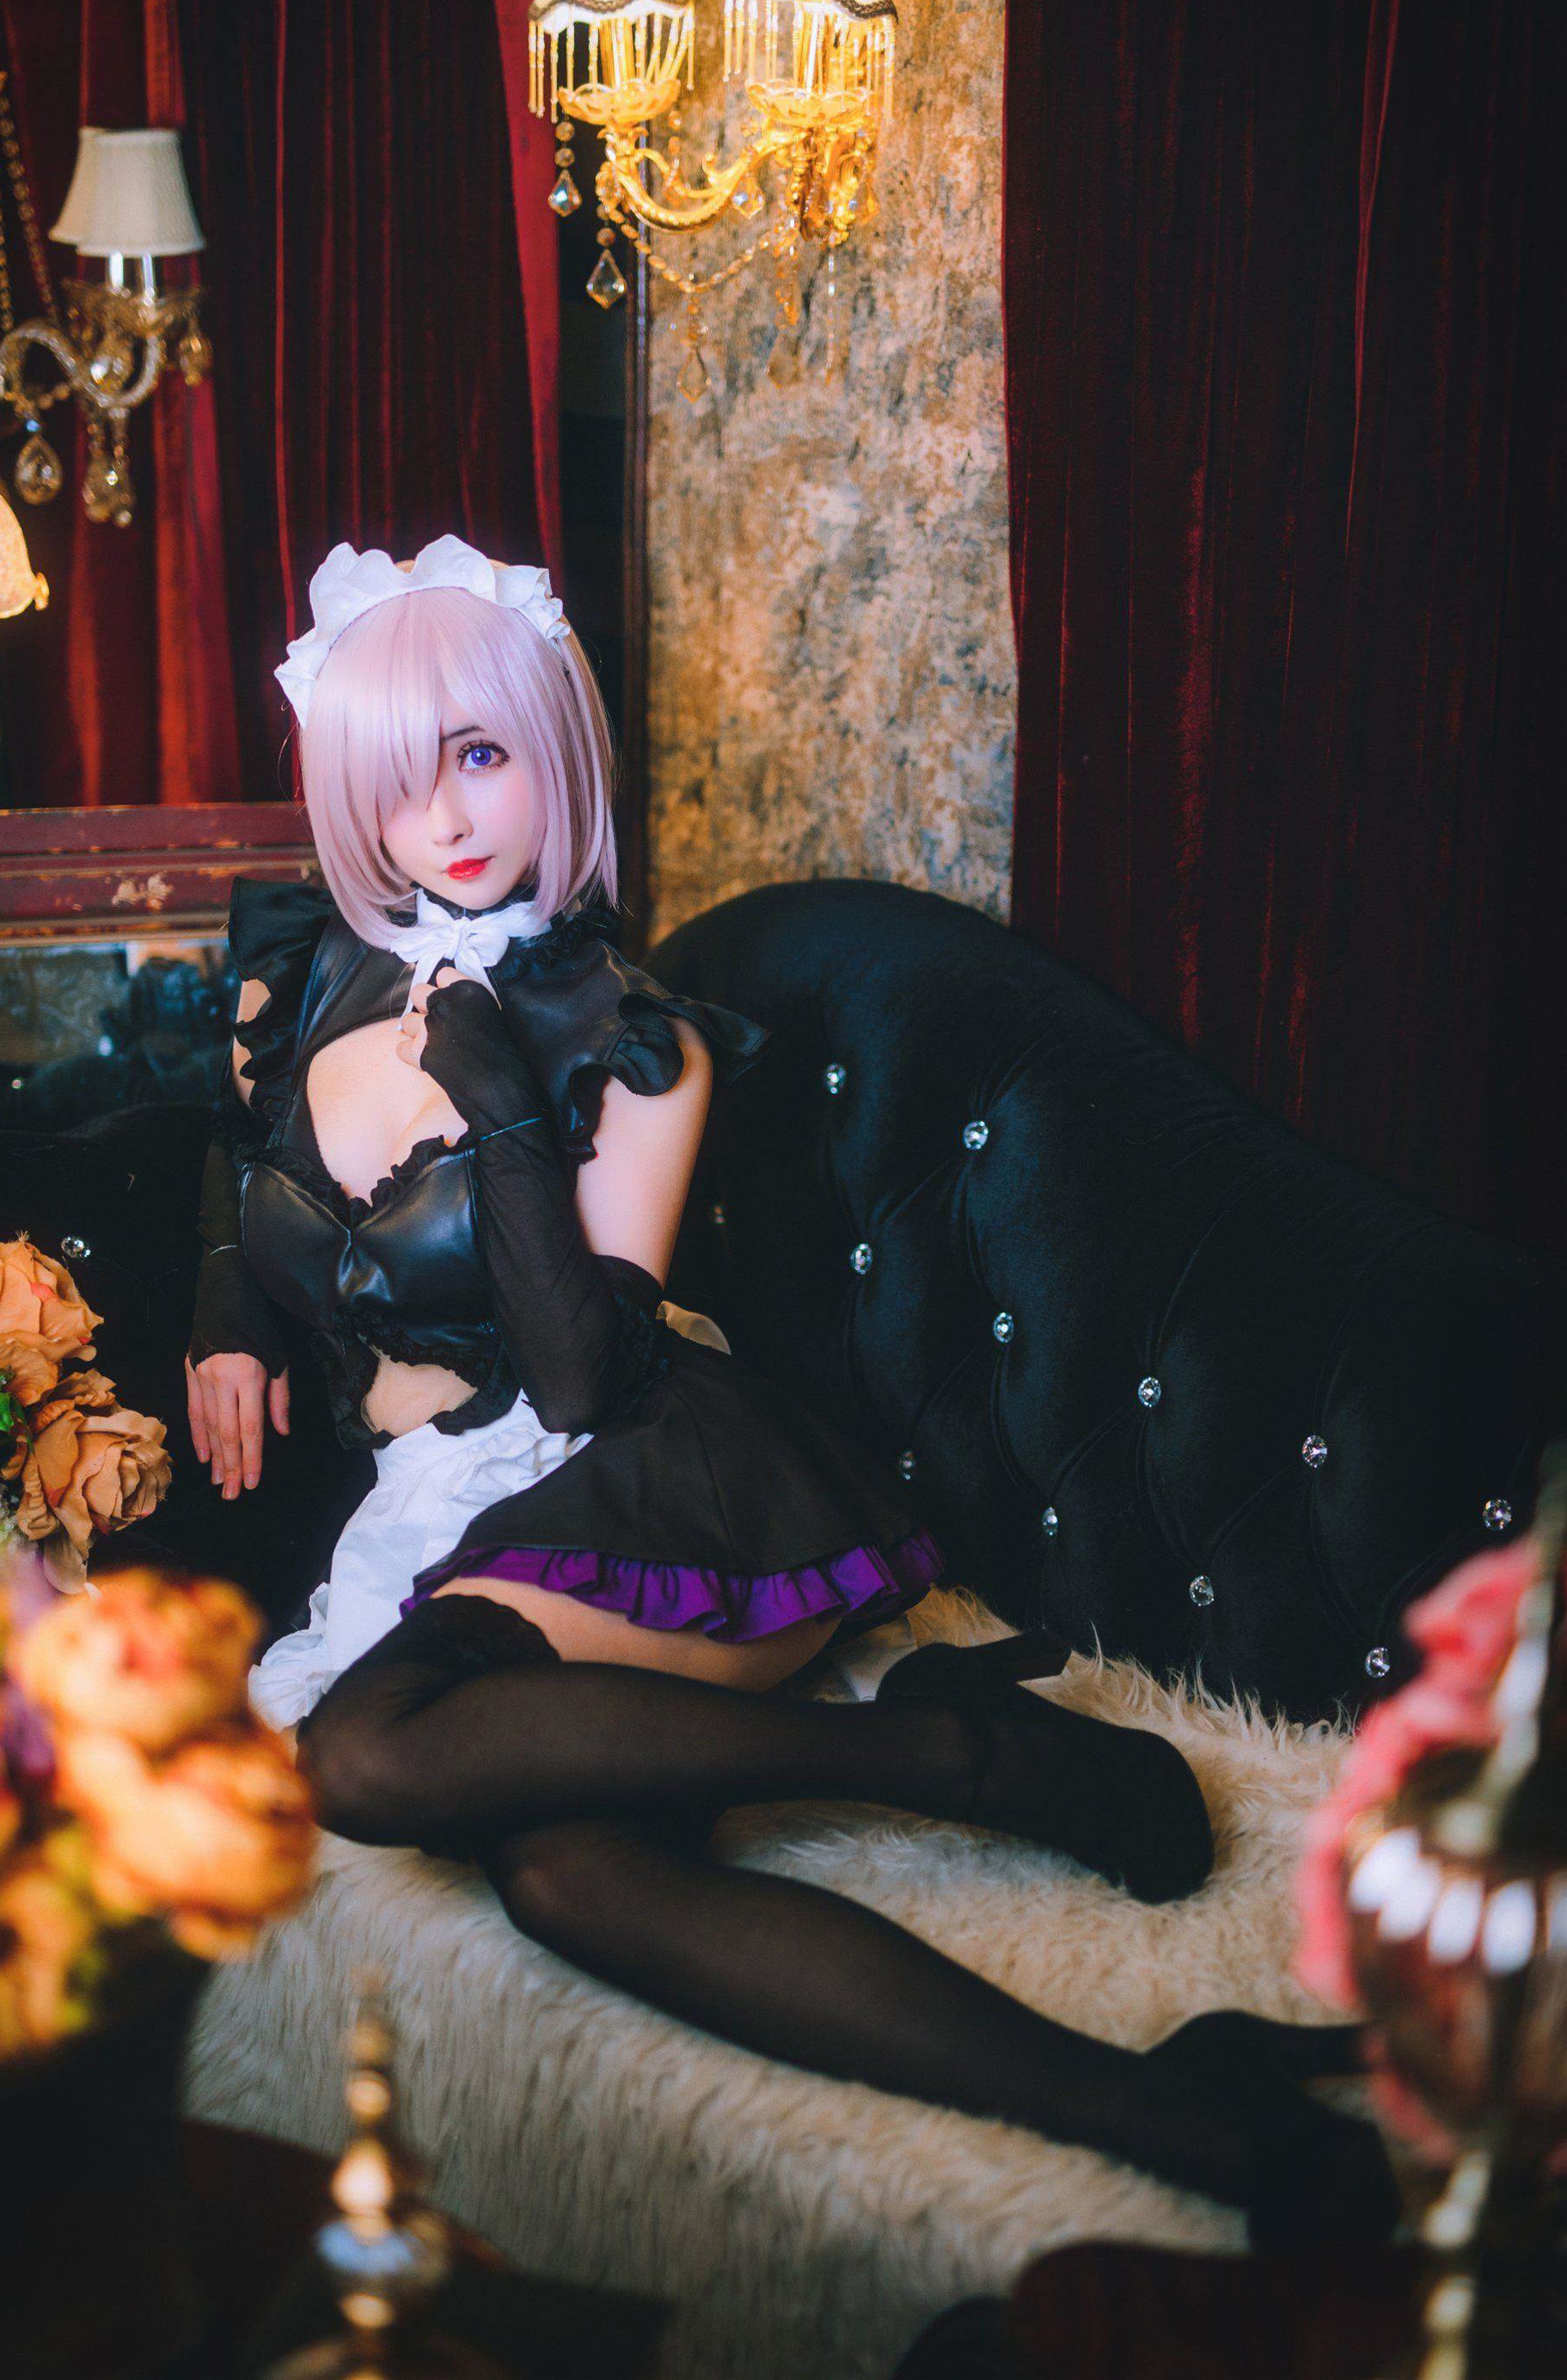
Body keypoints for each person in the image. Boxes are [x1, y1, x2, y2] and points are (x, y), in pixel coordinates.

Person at [187, 535, 1397, 2250]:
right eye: (396, 778)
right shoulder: (320, 978)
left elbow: (584, 1373)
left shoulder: (637, 1040)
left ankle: (949, 1754)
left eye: (482, 753)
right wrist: (227, 1316)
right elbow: (247, 1172)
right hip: (451, 1502)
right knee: (568, 1874)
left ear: (555, 747)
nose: (442, 815)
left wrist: (507, 1111)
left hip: (657, 1467)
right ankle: (1176, 2110)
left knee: (364, 1756)